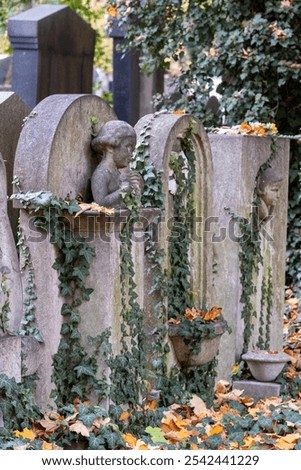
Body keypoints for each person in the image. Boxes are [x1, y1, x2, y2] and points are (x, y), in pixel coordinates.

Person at [91, 120, 143, 208]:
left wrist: (136, 190)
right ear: (110, 147)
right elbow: (100, 203)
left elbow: (123, 202)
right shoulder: (101, 173)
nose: (131, 153)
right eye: (128, 147)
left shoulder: (117, 173)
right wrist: (125, 189)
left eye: (132, 149)